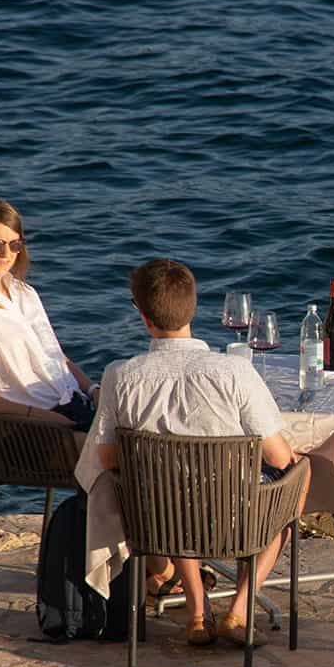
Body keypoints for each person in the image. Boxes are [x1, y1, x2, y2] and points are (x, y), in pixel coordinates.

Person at [92, 258, 307, 647]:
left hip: (160, 519)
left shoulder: (119, 376)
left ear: (143, 317)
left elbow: (107, 460)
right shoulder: (234, 372)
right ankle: (238, 612)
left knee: (175, 488)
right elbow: (278, 457)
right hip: (235, 517)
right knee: (296, 477)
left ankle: (197, 611)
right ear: (193, 307)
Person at [0, 197, 98, 436]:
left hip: (74, 405)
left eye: (14, 244)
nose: (6, 253)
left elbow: (55, 357)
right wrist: (41, 417)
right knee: (131, 460)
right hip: (32, 429)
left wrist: (94, 389)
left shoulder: (24, 293)